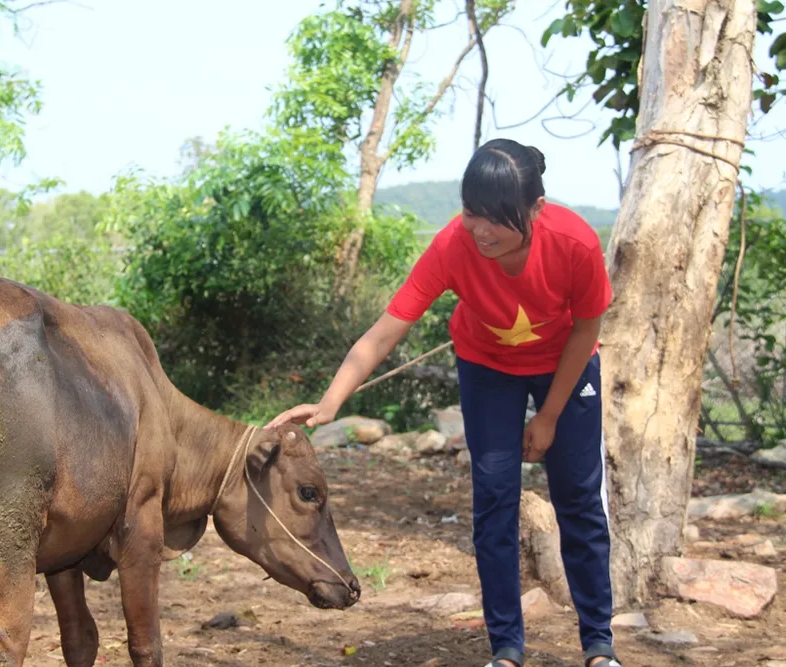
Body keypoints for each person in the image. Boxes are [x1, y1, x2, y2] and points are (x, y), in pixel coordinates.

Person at [266, 138, 622, 667]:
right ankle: (506, 648)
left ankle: (598, 645)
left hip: (565, 366)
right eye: (471, 212)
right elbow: (384, 334)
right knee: (495, 501)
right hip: (488, 367)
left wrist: (548, 418)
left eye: (496, 219)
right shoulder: (454, 245)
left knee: (579, 500)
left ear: (535, 211)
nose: (480, 230)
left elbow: (587, 327)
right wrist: (330, 402)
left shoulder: (575, 243)